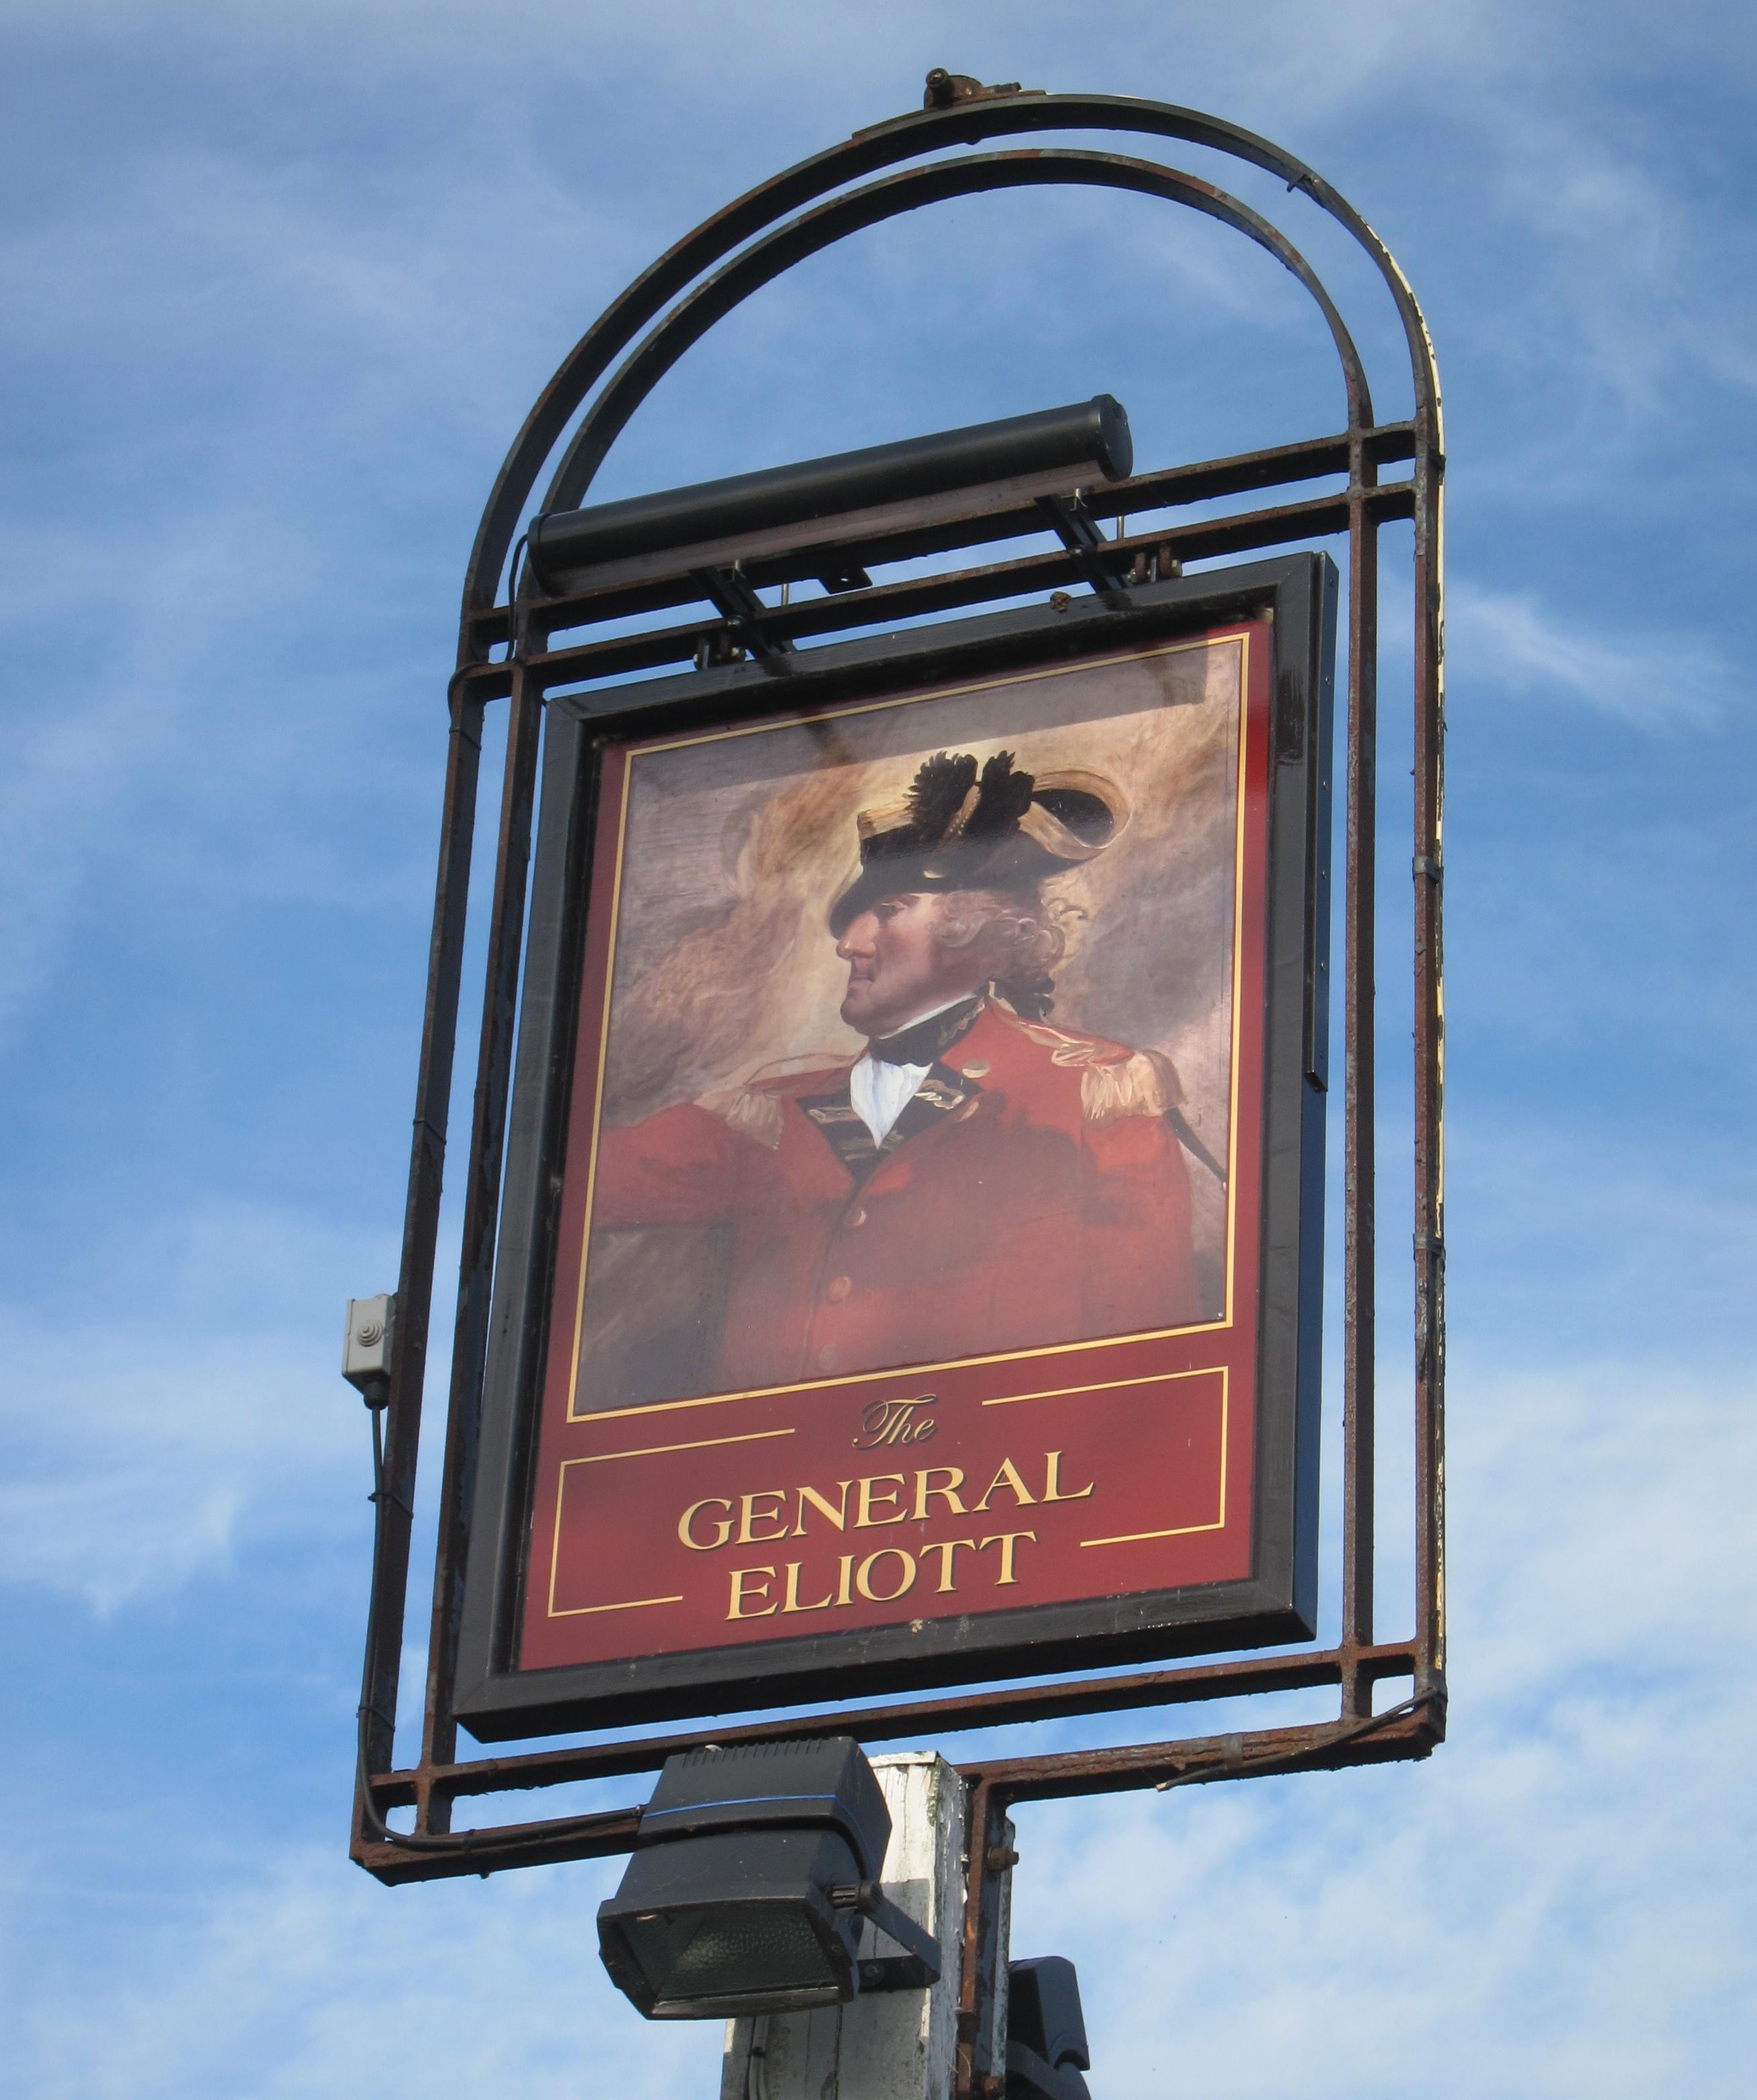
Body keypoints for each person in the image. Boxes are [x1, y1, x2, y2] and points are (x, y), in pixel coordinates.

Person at [591, 749, 1203, 1394]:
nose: (848, 944)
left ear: (977, 927)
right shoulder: (763, 1115)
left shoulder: (1092, 1090)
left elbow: (1155, 1359)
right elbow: (569, 1194)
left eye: (888, 910)